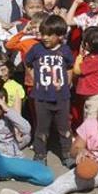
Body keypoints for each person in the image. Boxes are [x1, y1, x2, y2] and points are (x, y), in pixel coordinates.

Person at [0, 86, 54, 194]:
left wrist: (7, 109)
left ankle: (11, 175)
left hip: (13, 160)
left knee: (47, 177)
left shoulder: (8, 115)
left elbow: (26, 129)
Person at [25, 15, 75, 166]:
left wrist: (69, 81)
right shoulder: (36, 49)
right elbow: (27, 63)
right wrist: (34, 78)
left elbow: (70, 67)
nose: (44, 37)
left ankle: (67, 153)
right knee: (42, 127)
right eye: (42, 33)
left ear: (60, 36)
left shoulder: (65, 50)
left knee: (64, 127)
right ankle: (40, 154)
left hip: (62, 96)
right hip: (41, 96)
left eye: (49, 34)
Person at [73, 27, 98, 121]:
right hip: (90, 97)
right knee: (87, 120)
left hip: (95, 98)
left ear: (87, 44)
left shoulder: (94, 60)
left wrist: (80, 56)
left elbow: (77, 70)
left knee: (91, 122)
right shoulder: (92, 57)